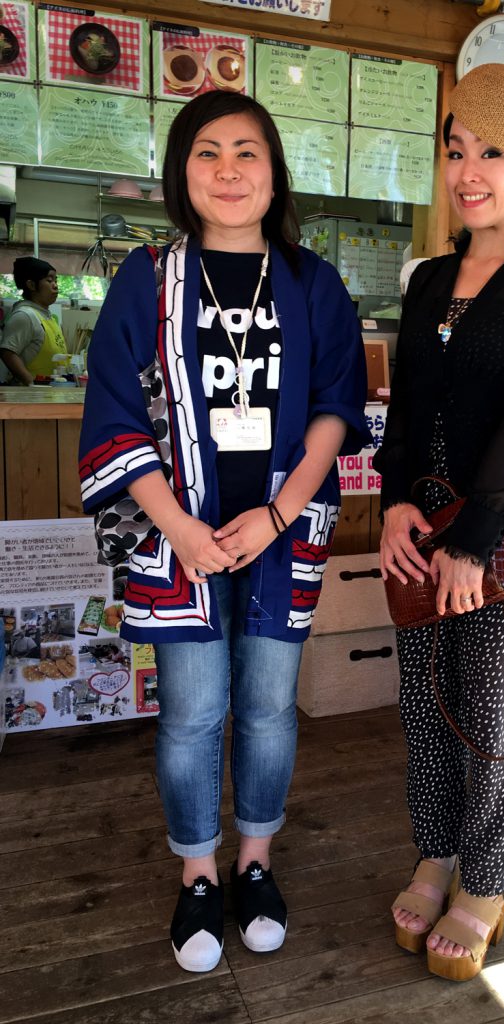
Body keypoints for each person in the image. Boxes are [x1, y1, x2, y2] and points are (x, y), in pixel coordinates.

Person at [78, 91, 369, 973]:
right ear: (183, 171)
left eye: (248, 150)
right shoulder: (146, 278)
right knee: (195, 714)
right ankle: (198, 871)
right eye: (209, 151)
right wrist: (182, 529)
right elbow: (113, 411)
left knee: (271, 708)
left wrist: (277, 513)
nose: (230, 169)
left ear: (274, 171)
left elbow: (335, 408)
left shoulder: (313, 281)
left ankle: (256, 859)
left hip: (285, 534)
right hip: (179, 540)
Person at [373, 64, 504, 983]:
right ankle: (435, 853)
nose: (469, 171)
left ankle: (489, 882)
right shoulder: (427, 282)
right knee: (425, 712)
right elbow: (408, 401)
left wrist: (469, 542)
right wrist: (391, 503)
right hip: (421, 533)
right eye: (458, 149)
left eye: (492, 155)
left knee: (495, 721)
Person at [0, 257, 67, 385]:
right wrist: (30, 383)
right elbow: (7, 352)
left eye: (56, 280)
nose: (55, 285)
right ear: (31, 285)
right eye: (49, 280)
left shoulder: (48, 317)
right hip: (33, 396)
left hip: (51, 393)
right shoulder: (25, 315)